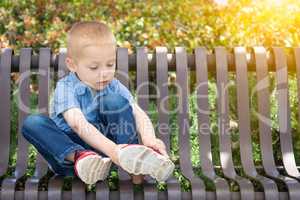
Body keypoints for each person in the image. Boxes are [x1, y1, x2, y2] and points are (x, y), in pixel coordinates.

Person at [21, 21, 174, 185]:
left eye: (110, 64)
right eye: (94, 67)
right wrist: (113, 150)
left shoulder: (114, 86)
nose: (105, 73)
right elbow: (77, 124)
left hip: (110, 156)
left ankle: (135, 167)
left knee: (116, 101)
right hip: (71, 159)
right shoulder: (66, 87)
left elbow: (138, 113)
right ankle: (82, 157)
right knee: (32, 123)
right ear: (72, 65)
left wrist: (149, 139)